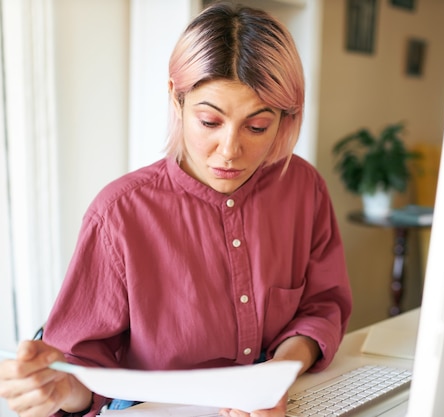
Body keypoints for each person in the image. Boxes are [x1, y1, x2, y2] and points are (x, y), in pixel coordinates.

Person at [0, 2, 352, 417]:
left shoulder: (303, 188)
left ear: (285, 119)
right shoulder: (119, 214)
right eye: (209, 121)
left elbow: (321, 307)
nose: (230, 150)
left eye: (257, 127)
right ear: (176, 98)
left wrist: (274, 376)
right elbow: (81, 372)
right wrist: (61, 392)